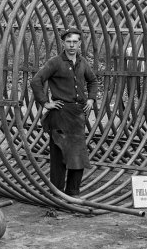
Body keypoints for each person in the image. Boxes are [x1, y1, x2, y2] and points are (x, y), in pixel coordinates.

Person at [30, 28, 99, 197]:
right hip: (60, 114)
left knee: (78, 155)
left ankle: (73, 192)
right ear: (63, 43)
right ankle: (57, 193)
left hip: (77, 115)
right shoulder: (55, 62)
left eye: (75, 42)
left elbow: (93, 80)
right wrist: (46, 103)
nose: (72, 45)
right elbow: (36, 80)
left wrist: (90, 99)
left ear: (80, 43)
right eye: (68, 42)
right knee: (60, 155)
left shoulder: (82, 62)